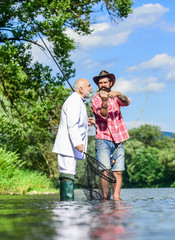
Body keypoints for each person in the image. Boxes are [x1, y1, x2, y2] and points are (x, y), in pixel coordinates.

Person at [52, 78, 95, 201]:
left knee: (69, 172)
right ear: (81, 89)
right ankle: (67, 206)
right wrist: (77, 142)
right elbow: (72, 123)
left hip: (69, 147)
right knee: (67, 172)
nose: (91, 88)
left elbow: (77, 122)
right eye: (89, 86)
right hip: (67, 146)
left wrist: (86, 123)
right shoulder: (74, 101)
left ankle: (68, 205)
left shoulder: (78, 101)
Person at [91, 70, 130, 201]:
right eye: (100, 82)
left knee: (118, 171)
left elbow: (127, 102)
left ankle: (117, 199)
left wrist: (118, 94)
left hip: (119, 138)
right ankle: (105, 199)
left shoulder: (116, 96)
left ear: (110, 83)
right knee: (105, 171)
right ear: (98, 85)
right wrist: (104, 101)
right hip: (103, 139)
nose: (102, 84)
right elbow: (103, 115)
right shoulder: (95, 99)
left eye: (105, 82)